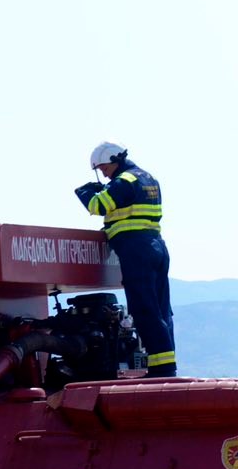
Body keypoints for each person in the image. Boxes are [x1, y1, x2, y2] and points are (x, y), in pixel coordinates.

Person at [75, 142, 176, 377]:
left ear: (114, 159)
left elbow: (97, 206)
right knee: (161, 310)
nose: (103, 174)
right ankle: (167, 365)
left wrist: (84, 191)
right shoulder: (148, 178)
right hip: (156, 245)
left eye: (104, 168)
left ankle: (162, 370)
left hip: (135, 248)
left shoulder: (125, 181)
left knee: (144, 310)